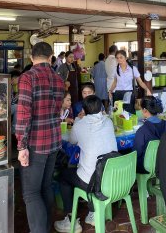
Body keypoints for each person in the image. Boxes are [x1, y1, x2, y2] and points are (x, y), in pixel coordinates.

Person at [15, 42, 65, 233]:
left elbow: (23, 113)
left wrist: (21, 146)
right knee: (45, 186)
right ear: (51, 57)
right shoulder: (59, 78)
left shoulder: (28, 77)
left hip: (35, 143)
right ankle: (45, 227)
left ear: (31, 57)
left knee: (30, 193)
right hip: (53, 141)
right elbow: (57, 110)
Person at [54, 95, 117, 233]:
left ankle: (71, 220)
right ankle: (93, 212)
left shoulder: (79, 125)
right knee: (89, 166)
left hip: (92, 181)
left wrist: (79, 120)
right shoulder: (109, 122)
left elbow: (71, 142)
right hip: (112, 178)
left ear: (84, 110)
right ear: (101, 108)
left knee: (64, 176)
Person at [133, 96, 166, 173]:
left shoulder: (142, 131)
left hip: (146, 167)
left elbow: (136, 153)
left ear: (144, 110)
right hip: (165, 163)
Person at [109, 50, 152, 114]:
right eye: (117, 58)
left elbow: (140, 82)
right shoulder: (116, 69)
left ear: (126, 58)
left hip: (128, 94)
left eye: (121, 57)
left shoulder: (132, 69)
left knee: (129, 113)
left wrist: (147, 89)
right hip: (118, 94)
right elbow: (115, 82)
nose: (119, 59)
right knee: (118, 113)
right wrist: (110, 91)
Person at [10, 69, 21, 135]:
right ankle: (13, 130)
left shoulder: (9, 85)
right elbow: (11, 102)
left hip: (6, 106)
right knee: (18, 107)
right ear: (14, 78)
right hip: (5, 108)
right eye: (18, 79)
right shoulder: (8, 86)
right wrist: (17, 97)